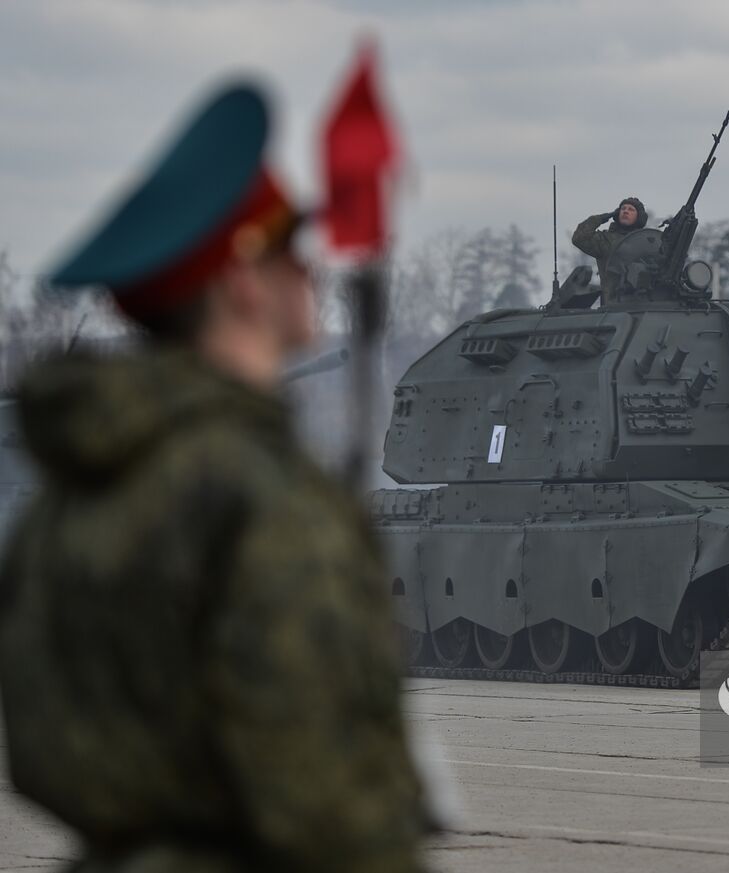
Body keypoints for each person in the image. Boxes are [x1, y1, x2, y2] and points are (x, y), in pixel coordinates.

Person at [0, 82, 427, 873]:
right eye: (291, 250)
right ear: (241, 282)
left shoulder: (69, 495)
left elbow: (43, 752)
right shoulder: (260, 496)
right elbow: (332, 806)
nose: (311, 272)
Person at [572, 196, 648, 304]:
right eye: (623, 209)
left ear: (639, 217)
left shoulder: (646, 241)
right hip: (613, 303)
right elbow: (579, 238)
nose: (626, 211)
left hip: (645, 303)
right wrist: (602, 218)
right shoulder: (606, 240)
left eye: (631, 209)